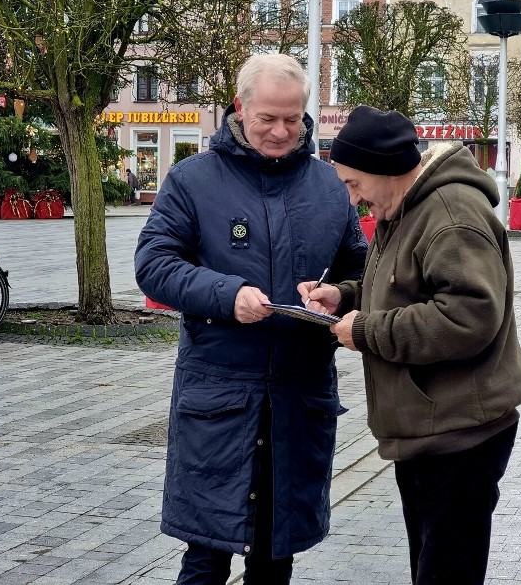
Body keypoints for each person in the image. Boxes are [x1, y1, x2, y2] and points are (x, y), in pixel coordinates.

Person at [134, 54, 367, 585]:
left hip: (298, 396)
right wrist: (225, 294)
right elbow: (154, 264)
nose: (282, 131)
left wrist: (338, 292)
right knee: (207, 553)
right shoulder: (192, 180)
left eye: (293, 118)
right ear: (240, 109)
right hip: (219, 396)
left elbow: (362, 267)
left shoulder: (328, 185)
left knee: (275, 553)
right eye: (268, 118)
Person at [301, 105, 521, 585]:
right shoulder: (405, 207)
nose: (353, 198)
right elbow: (400, 282)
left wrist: (366, 330)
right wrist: (343, 295)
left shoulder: (450, 215)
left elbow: (469, 316)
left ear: (384, 170)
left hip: (461, 433)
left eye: (353, 183)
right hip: (431, 430)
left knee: (445, 573)